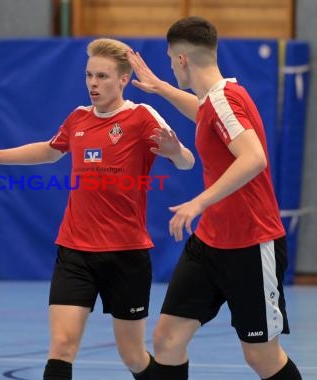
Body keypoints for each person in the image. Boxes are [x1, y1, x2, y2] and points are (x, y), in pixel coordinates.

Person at [0, 38, 195, 380]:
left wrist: (174, 151)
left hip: (126, 254)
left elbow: (187, 162)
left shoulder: (141, 117)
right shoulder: (78, 118)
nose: (94, 84)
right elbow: (49, 150)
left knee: (132, 356)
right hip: (75, 251)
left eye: (102, 76)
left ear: (123, 79)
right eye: (89, 76)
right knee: (62, 347)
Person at [126, 16, 303, 380]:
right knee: (168, 339)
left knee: (261, 357)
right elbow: (203, 113)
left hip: (251, 243)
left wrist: (199, 202)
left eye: (170, 61)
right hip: (210, 243)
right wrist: (160, 88)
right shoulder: (215, 99)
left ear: (182, 60)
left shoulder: (226, 101)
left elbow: (254, 158)